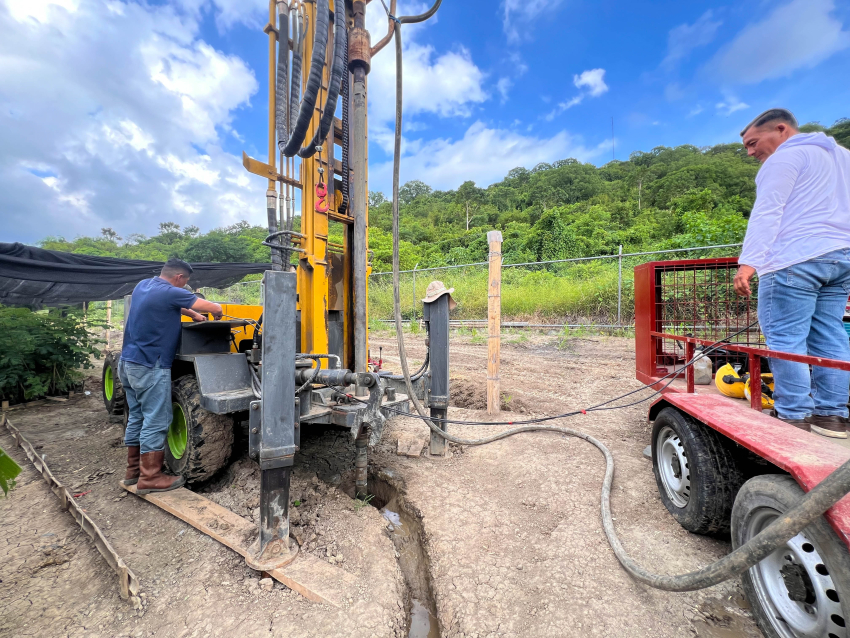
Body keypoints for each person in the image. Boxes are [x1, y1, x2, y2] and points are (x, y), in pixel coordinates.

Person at [734, 108, 850, 438]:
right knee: (830, 332)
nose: (751, 152)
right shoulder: (843, 157)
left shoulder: (785, 158)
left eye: (753, 142)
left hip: (794, 259)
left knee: (786, 337)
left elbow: (767, 212)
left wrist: (749, 263)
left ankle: (794, 416)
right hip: (841, 257)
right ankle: (832, 417)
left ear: (782, 129)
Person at [119, 258, 223, 493]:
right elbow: (213, 308)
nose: (184, 285)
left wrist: (192, 314)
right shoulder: (170, 291)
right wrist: (214, 312)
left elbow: (167, 305)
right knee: (157, 419)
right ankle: (150, 477)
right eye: (185, 281)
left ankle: (132, 472)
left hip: (128, 363)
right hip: (150, 365)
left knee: (138, 415)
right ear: (179, 278)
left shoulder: (143, 285)